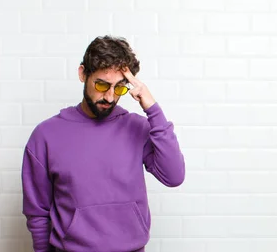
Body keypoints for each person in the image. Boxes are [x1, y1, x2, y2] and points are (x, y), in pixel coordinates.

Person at [21, 35, 186, 252]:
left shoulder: (138, 128)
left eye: (119, 88)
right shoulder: (46, 135)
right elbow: (38, 213)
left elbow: (174, 176)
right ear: (83, 74)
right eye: (102, 84)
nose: (109, 96)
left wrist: (152, 108)